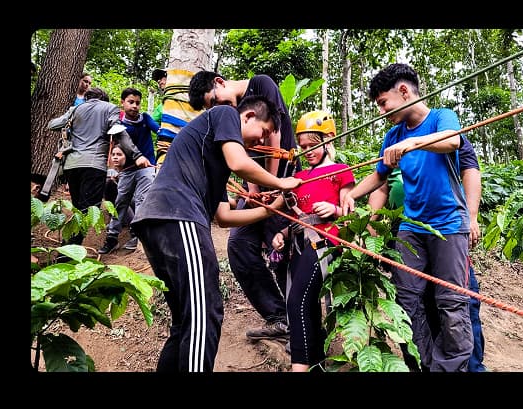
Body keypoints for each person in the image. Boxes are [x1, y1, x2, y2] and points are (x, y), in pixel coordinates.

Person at [131, 95, 301, 372]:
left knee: (186, 321)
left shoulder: (214, 160)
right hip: (178, 214)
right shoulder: (225, 114)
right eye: (265, 132)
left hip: (159, 221)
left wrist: (270, 210)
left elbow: (224, 217)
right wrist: (282, 182)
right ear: (247, 117)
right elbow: (239, 163)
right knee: (205, 313)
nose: (262, 142)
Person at [341, 63, 473, 372]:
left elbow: (453, 140)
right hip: (412, 227)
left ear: (403, 92)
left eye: (383, 103)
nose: (382, 110)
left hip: (449, 224)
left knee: (450, 302)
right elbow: (379, 175)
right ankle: (423, 365)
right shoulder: (393, 134)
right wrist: (352, 195)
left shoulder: (441, 117)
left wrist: (412, 142)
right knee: (406, 301)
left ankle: (451, 368)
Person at [189, 71, 300, 341]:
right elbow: (240, 155)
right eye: (211, 108)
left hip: (282, 181)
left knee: (282, 249)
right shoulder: (232, 113)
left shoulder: (261, 84)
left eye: (214, 101)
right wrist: (252, 191)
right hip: (257, 186)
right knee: (238, 245)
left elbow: (273, 134)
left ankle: (301, 327)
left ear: (219, 82)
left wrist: (273, 185)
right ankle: (280, 318)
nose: (216, 109)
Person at [368, 137, 487, 372]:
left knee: (458, 302)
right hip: (404, 233)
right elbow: (381, 184)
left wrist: (471, 216)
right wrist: (371, 225)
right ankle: (422, 365)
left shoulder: (443, 134)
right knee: (411, 302)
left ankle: (469, 367)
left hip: (446, 230)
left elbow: (470, 171)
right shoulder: (394, 142)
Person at [270, 110, 355, 372]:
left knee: (297, 301)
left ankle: (300, 368)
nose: (307, 151)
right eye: (303, 146)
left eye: (313, 145)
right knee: (304, 305)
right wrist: (281, 234)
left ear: (328, 139)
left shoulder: (341, 171)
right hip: (300, 245)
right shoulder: (300, 178)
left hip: (326, 243)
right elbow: (296, 214)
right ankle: (316, 365)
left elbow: (351, 215)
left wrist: (335, 210)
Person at [47, 87, 151, 245]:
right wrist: (137, 155)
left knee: (78, 207)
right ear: (105, 99)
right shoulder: (110, 108)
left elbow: (53, 125)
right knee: (88, 210)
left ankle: (68, 247)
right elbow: (119, 133)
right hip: (94, 166)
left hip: (72, 167)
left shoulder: (75, 109)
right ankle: (68, 251)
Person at [98, 87, 159, 254]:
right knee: (121, 201)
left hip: (146, 167)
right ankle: (112, 238)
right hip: (127, 169)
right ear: (122, 102)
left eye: (138, 103)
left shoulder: (145, 118)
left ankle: (138, 235)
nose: (135, 106)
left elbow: (159, 131)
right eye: (131, 102)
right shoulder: (118, 123)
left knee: (141, 200)